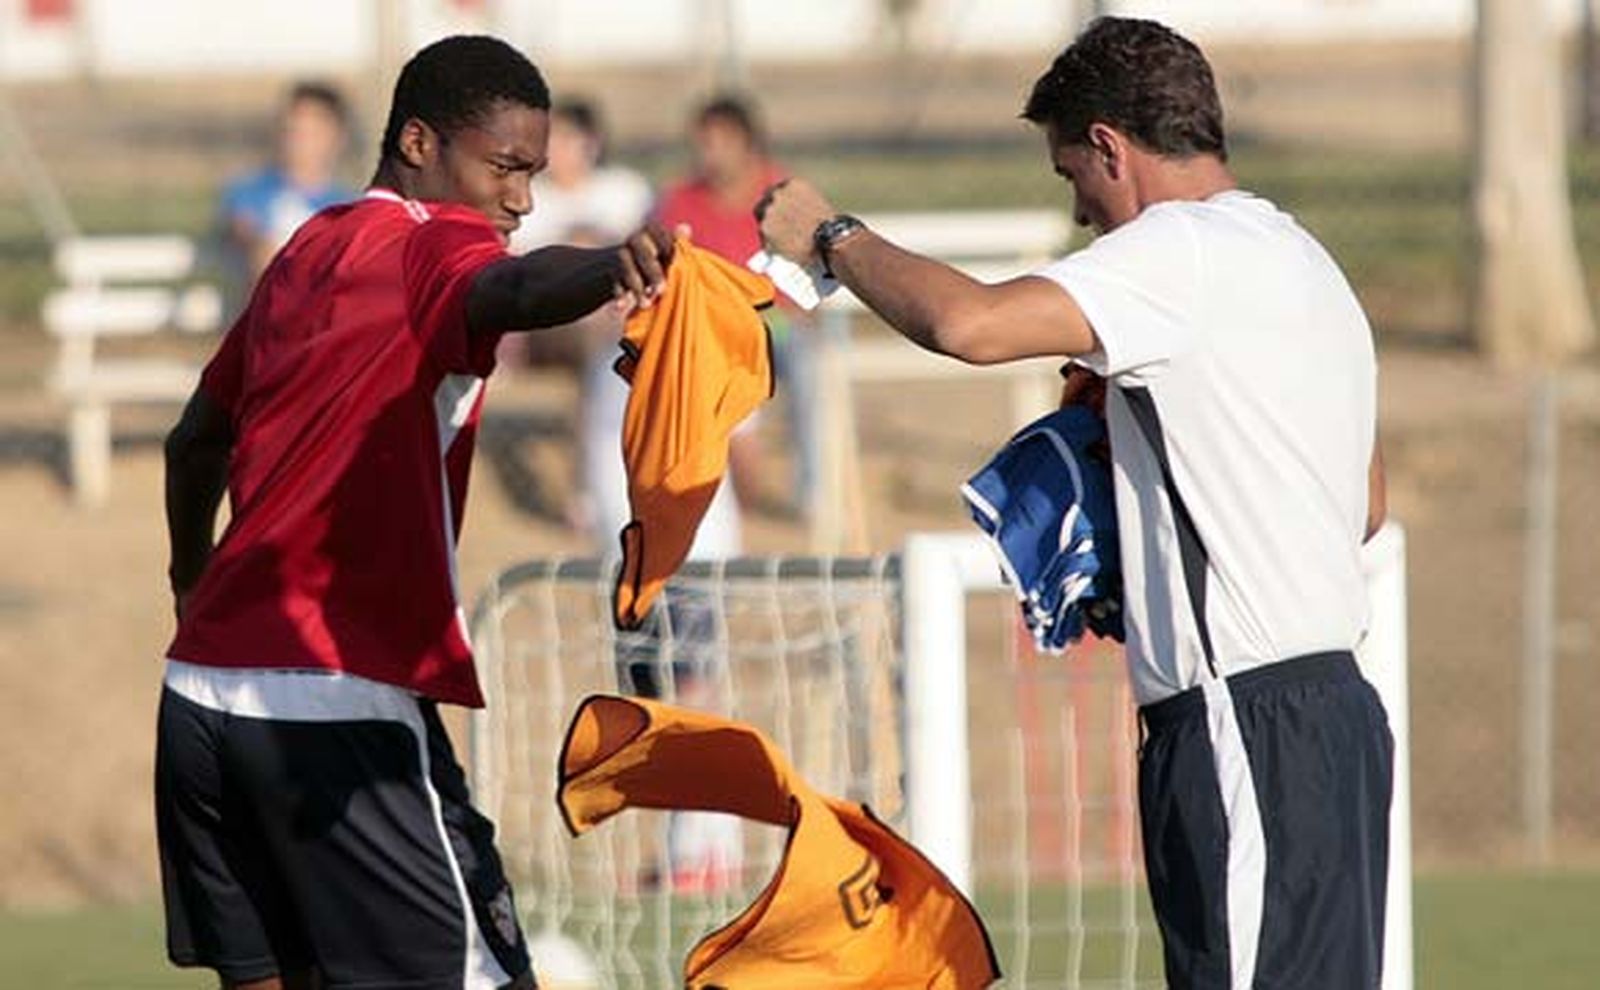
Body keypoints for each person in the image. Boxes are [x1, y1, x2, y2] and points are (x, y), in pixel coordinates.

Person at [758, 17, 1392, 990]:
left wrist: (832, 238)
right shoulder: (1303, 258)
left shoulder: (1177, 249)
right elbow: (1362, 506)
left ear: (1109, 145)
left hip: (1238, 718)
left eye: (1072, 181)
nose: (1082, 218)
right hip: (1335, 718)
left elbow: (968, 324)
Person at [159, 35, 676, 990]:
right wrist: (615, 266)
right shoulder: (437, 243)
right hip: (332, 696)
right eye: (506, 167)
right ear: (418, 141)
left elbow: (194, 440)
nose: (521, 197)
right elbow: (509, 286)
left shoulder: (307, 247)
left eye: (533, 170)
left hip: (198, 699)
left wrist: (195, 581)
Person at [658, 95, 819, 519]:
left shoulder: (783, 195)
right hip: (711, 331)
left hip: (776, 324)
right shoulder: (680, 200)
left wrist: (794, 310)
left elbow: (813, 269)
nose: (709, 153)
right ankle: (717, 489)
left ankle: (810, 491)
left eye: (720, 142)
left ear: (748, 143)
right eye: (703, 142)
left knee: (806, 369)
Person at [219, 82, 356, 288]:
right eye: (292, 130)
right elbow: (241, 231)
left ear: (337, 137)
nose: (297, 141)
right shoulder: (250, 192)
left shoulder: (350, 205)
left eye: (311, 133)